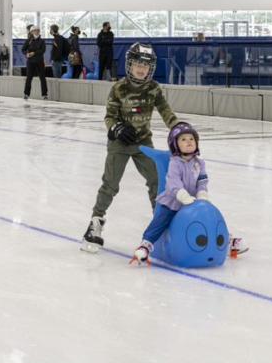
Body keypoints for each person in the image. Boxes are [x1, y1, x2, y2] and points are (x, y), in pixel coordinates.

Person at [82, 43, 184, 253]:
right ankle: (95, 223)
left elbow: (165, 110)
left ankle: (160, 223)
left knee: (157, 181)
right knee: (110, 184)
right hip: (119, 144)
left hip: (143, 143)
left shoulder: (154, 88)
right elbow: (109, 116)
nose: (141, 68)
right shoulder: (119, 88)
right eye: (137, 63)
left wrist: (178, 126)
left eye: (145, 65)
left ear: (151, 68)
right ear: (129, 65)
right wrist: (117, 128)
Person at [129, 123, 247, 265]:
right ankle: (146, 245)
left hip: (193, 201)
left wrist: (202, 194)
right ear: (175, 145)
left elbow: (202, 181)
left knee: (208, 218)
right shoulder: (175, 163)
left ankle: (227, 241)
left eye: (191, 139)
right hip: (173, 200)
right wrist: (182, 195)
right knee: (161, 219)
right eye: (183, 139)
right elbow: (173, 183)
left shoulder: (199, 163)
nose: (189, 142)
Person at [22, 27, 48, 100]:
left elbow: (43, 50)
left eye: (38, 30)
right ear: (32, 32)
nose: (37, 32)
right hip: (30, 62)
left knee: (42, 78)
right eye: (35, 31)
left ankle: (44, 94)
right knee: (29, 78)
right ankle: (26, 94)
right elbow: (23, 49)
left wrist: (34, 53)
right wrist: (26, 54)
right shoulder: (28, 40)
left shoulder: (42, 41)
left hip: (39, 61)